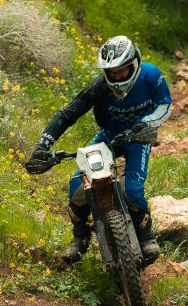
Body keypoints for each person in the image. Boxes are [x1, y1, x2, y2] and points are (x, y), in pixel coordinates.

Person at [28, 35, 172, 265]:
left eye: (122, 71)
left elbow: (164, 104)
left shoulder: (151, 75)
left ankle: (146, 237)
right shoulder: (100, 87)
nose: (117, 77)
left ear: (134, 64)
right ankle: (80, 237)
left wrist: (146, 124)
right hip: (109, 136)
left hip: (139, 137)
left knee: (133, 189)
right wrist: (42, 145)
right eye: (112, 72)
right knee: (77, 188)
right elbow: (67, 114)